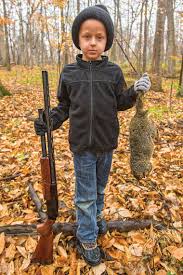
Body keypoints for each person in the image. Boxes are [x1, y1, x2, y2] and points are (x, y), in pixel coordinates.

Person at [34, 4, 151, 266]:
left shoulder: (113, 72)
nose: (93, 43)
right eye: (87, 36)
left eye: (99, 37)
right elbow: (64, 107)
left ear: (107, 40)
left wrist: (135, 90)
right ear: (78, 38)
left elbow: (121, 102)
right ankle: (86, 236)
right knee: (85, 195)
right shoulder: (69, 73)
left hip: (106, 143)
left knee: (98, 190)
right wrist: (49, 121)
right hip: (82, 147)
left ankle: (95, 218)